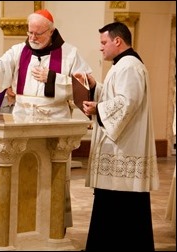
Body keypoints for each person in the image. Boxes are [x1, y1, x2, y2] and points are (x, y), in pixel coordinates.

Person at [0, 9, 92, 230]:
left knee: (51, 180)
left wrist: (53, 79)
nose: (32, 38)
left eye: (38, 34)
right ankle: (22, 226)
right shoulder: (19, 51)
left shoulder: (70, 54)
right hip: (23, 123)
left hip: (53, 127)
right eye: (30, 33)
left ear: (51, 31)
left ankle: (53, 228)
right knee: (21, 177)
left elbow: (86, 86)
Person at [79, 22, 159, 251]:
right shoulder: (123, 65)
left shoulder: (130, 66)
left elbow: (128, 103)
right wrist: (95, 87)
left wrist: (98, 109)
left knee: (121, 209)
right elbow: (118, 96)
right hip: (119, 149)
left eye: (104, 43)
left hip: (124, 150)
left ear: (118, 41)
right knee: (113, 206)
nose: (101, 48)